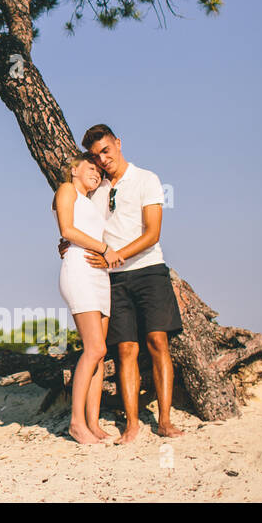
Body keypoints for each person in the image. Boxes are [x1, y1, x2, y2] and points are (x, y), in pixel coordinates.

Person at [76, 124, 185, 442]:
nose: (102, 159)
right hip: (114, 279)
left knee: (157, 343)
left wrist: (114, 255)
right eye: (96, 155)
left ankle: (164, 421)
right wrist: (67, 244)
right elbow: (85, 227)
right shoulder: (98, 190)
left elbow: (153, 233)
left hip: (149, 270)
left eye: (106, 150)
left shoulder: (147, 179)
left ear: (118, 144)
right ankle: (133, 424)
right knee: (125, 350)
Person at [52, 152, 114, 444]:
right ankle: (76, 422)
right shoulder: (66, 189)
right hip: (79, 271)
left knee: (100, 355)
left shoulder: (93, 201)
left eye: (100, 172)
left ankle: (94, 422)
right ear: (74, 169)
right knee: (94, 348)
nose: (96, 173)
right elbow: (67, 230)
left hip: (101, 277)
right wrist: (103, 248)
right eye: (91, 167)